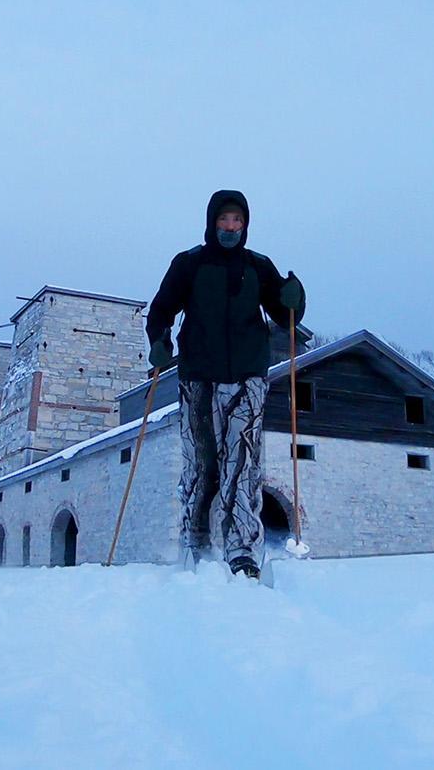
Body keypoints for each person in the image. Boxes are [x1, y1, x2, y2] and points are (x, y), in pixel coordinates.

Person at [146, 190, 305, 578]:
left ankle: (242, 551)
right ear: (212, 222)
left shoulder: (258, 266)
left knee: (243, 463)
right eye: (224, 220)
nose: (230, 227)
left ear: (245, 225)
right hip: (199, 375)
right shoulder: (190, 265)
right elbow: (161, 309)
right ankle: (195, 542)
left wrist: (293, 300)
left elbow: (285, 315)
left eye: (237, 221)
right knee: (202, 463)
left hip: (248, 376)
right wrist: (159, 341)